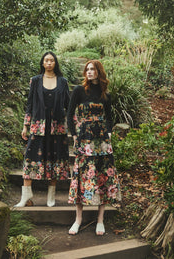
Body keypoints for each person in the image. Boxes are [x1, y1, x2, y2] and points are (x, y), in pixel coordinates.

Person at [67, 60, 121, 235]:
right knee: (82, 176)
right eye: (87, 69)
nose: (89, 72)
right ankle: (78, 220)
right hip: (84, 138)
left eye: (92, 69)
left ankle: (100, 220)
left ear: (99, 72)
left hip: (102, 141)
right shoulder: (79, 90)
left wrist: (109, 133)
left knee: (102, 176)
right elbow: (69, 114)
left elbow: (110, 117)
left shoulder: (106, 94)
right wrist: (74, 135)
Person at [14, 51, 70, 207]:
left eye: (52, 60)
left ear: (55, 63)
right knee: (30, 158)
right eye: (46, 60)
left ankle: (51, 196)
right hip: (38, 126)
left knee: (55, 159)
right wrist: (25, 125)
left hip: (57, 128)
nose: (49, 63)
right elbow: (30, 104)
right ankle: (26, 195)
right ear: (42, 63)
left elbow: (68, 104)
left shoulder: (63, 81)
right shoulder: (35, 81)